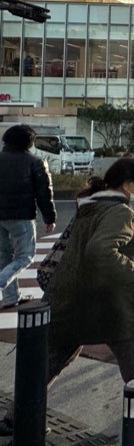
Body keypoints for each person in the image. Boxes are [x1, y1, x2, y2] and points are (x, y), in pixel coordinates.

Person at [0, 158, 134, 438]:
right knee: (132, 342)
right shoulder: (120, 212)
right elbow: (100, 251)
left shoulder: (90, 205)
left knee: (51, 361)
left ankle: (15, 418)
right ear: (127, 183)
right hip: (106, 299)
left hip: (68, 297)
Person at [0, 125, 57, 309]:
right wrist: (49, 218)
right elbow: (44, 194)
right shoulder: (35, 162)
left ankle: (11, 298)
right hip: (20, 216)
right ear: (29, 142)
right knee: (26, 256)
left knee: (5, 256)